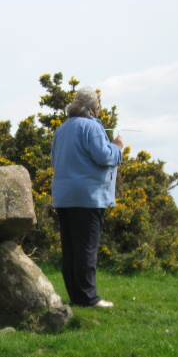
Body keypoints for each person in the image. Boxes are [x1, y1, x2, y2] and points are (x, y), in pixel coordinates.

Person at [50, 87, 123, 308]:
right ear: (93, 107)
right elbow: (103, 156)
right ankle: (88, 299)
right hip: (88, 196)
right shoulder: (92, 127)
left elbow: (54, 160)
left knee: (71, 250)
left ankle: (76, 296)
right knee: (86, 250)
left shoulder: (62, 129)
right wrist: (117, 148)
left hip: (64, 196)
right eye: (98, 105)